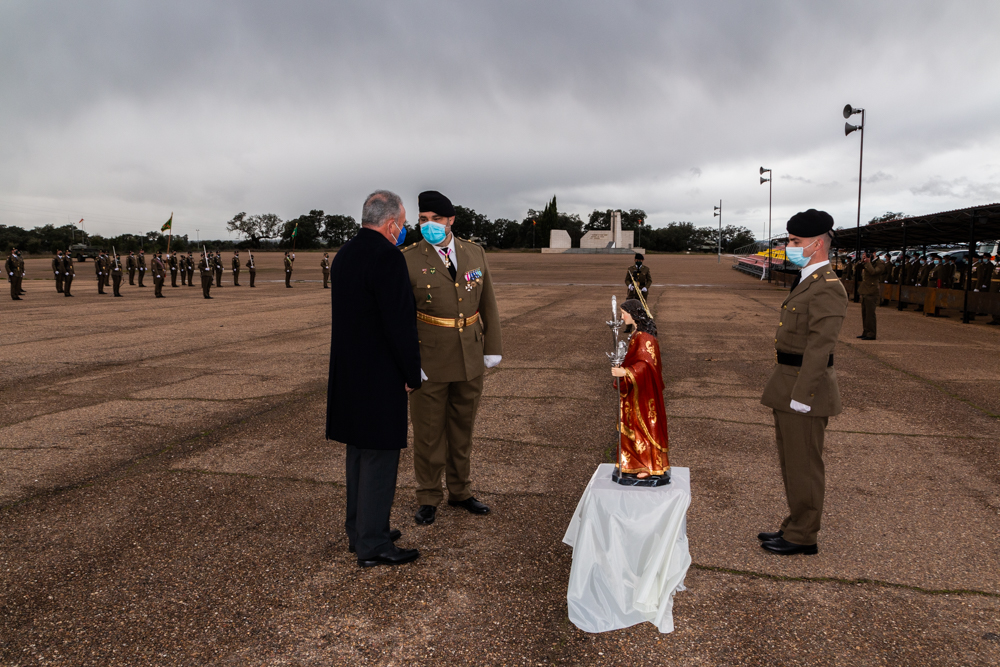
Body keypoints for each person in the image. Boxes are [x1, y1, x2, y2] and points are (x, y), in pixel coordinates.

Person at [326, 189, 421, 568]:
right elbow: (398, 323)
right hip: (380, 374)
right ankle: (374, 543)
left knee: (359, 455)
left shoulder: (346, 254)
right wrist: (411, 373)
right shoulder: (387, 257)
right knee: (380, 457)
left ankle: (361, 528)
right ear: (392, 222)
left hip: (350, 371)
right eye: (403, 222)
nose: (403, 229)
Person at [403, 190, 502, 526]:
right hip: (428, 358)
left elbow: (487, 302)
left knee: (462, 429)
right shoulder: (408, 259)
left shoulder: (474, 252)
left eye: (435, 219)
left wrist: (492, 347)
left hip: (469, 356)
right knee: (429, 432)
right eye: (423, 219)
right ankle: (428, 496)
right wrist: (407, 360)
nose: (429, 225)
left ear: (451, 221)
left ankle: (460, 491)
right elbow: (400, 315)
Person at [759, 209, 847, 556]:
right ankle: (795, 524)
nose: (789, 246)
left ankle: (803, 536)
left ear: (816, 244)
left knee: (805, 465)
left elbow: (819, 346)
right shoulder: (807, 278)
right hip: (787, 382)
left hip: (804, 388)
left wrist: (803, 394)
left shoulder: (828, 287)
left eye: (795, 242)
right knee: (791, 462)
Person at [610, 299, 669, 480]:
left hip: (645, 394)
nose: (621, 317)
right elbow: (635, 359)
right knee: (634, 426)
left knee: (644, 427)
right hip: (637, 391)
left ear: (633, 314)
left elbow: (646, 365)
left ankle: (649, 465)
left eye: (623, 313)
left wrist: (626, 372)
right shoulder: (637, 334)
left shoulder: (644, 337)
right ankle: (633, 463)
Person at [857, 250, 883, 340]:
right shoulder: (867, 262)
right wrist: (862, 261)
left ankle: (871, 334)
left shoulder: (879, 263)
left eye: (869, 254)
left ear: (874, 253)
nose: (867, 256)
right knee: (864, 313)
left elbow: (873, 272)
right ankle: (865, 332)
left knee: (870, 314)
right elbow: (857, 268)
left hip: (872, 291)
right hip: (864, 290)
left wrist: (868, 263)